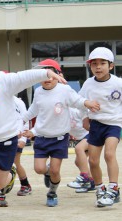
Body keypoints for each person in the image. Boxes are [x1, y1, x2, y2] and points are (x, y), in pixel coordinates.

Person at [0, 48, 67, 221]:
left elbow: (23, 76)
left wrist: (47, 73)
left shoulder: (2, 80)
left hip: (6, 141)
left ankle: (10, 174)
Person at [22, 59, 99, 207]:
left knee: (56, 170)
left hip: (59, 138)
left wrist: (87, 103)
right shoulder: (38, 92)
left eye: (51, 75)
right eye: (44, 76)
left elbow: (77, 101)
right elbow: (33, 110)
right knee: (39, 169)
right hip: (42, 138)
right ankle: (47, 172)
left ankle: (52, 192)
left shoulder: (65, 90)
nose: (47, 79)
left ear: (59, 75)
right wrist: (20, 121)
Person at [78, 47, 122, 207]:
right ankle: (100, 188)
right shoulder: (88, 84)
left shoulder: (118, 83)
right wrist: (84, 119)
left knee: (109, 154)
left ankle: (113, 188)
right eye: (94, 64)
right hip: (95, 124)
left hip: (114, 124)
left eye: (102, 63)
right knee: (94, 160)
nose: (98, 67)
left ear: (111, 65)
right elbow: (79, 102)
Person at [66, 108, 95, 193]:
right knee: (78, 162)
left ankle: (84, 176)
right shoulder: (60, 115)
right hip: (80, 138)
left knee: (79, 148)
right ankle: (91, 182)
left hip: (91, 134)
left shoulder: (76, 110)